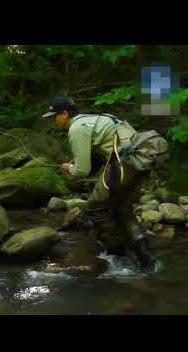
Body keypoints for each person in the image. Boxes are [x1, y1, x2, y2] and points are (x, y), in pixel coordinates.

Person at [42, 96, 157, 268]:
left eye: (54, 116)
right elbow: (99, 153)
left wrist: (69, 168)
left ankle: (116, 256)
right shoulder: (93, 119)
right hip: (140, 161)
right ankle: (145, 256)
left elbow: (82, 171)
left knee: (96, 207)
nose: (53, 120)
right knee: (121, 207)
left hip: (125, 162)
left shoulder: (77, 128)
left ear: (64, 114)